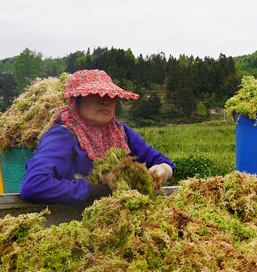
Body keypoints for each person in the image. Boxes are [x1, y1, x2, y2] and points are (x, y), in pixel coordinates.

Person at [20, 69, 174, 205]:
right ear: (76, 100)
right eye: (95, 94)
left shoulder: (121, 132)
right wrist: (90, 190)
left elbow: (161, 161)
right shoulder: (63, 135)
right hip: (73, 220)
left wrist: (161, 171)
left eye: (110, 95)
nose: (105, 101)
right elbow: (34, 185)